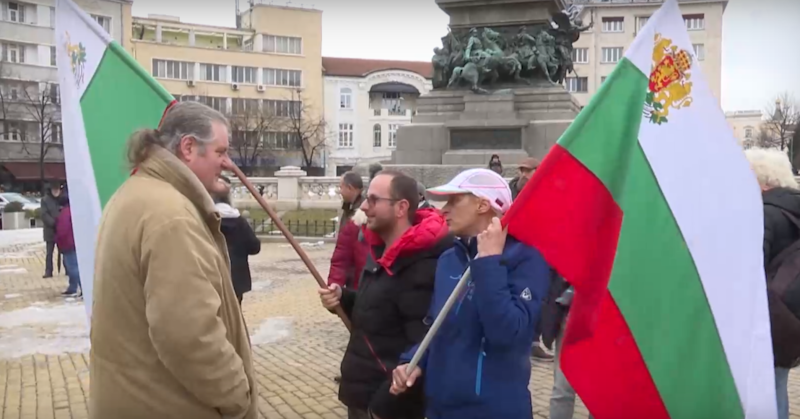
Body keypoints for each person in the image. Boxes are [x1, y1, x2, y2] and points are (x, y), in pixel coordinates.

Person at [89, 102, 258, 419]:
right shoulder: (172, 215)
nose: (226, 163)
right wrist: (237, 396)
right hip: (168, 404)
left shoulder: (135, 193)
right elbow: (189, 336)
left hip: (135, 397)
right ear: (189, 147)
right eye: (220, 152)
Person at [389, 168, 551, 419]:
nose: (443, 210)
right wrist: (413, 361)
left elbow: (508, 333)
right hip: (440, 407)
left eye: (455, 200)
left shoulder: (527, 259)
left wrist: (488, 263)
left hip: (493, 410)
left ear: (483, 204)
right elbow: (439, 326)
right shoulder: (448, 259)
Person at [319, 170, 452, 419]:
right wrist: (343, 297)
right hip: (362, 393)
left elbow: (421, 348)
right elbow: (379, 309)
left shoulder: (423, 265)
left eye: (373, 200)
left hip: (385, 405)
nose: (365, 206)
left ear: (401, 207)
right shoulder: (380, 249)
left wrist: (382, 406)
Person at [745, 148, 800, 419]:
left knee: (764, 388)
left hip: (768, 318)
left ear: (763, 181)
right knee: (778, 382)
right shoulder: (793, 208)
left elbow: (749, 269)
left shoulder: (763, 214)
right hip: (792, 318)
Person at [213, 175, 261, 305]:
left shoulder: (206, 220)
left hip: (213, 278)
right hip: (236, 279)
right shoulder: (239, 222)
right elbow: (254, 247)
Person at [328, 171, 368, 290]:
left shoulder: (364, 213)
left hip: (360, 280)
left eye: (341, 187)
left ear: (350, 188)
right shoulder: (347, 208)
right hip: (350, 275)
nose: (339, 191)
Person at [54, 194, 80, 297]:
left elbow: (62, 230)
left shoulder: (64, 213)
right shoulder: (73, 211)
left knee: (72, 267)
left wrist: (58, 239)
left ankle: (81, 288)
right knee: (74, 266)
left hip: (68, 243)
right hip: (74, 242)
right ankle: (73, 287)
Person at [40, 182, 62, 278]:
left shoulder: (62, 199)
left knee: (65, 252)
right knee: (49, 252)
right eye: (54, 190)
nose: (56, 192)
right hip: (50, 230)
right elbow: (44, 214)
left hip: (62, 230)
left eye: (58, 190)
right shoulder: (45, 200)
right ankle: (49, 271)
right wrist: (53, 223)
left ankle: (68, 269)